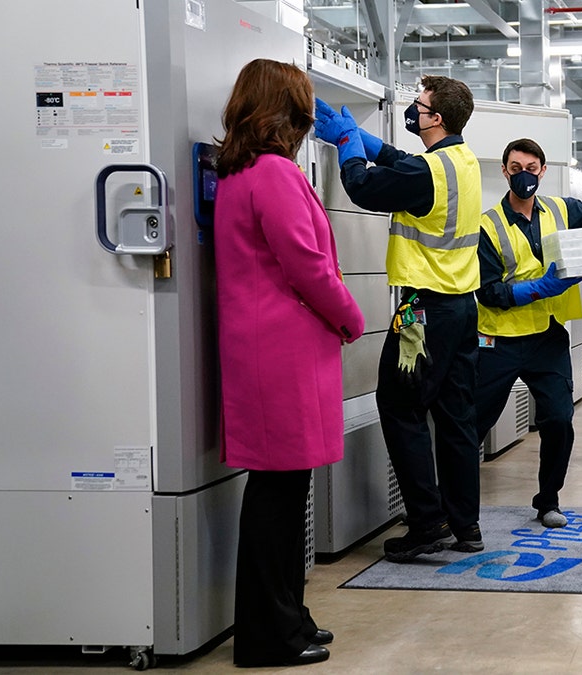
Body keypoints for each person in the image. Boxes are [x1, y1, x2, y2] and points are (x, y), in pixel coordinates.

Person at [214, 58, 364, 667]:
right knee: (278, 496)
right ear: (286, 110)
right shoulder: (273, 174)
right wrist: (353, 317)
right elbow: (306, 264)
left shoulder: (239, 171)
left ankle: (287, 616)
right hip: (280, 351)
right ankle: (266, 634)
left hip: (269, 347)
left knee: (281, 491)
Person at [314, 76, 484, 562]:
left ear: (436, 119)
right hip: (460, 308)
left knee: (399, 403)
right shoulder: (461, 160)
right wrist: (369, 140)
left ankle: (427, 523)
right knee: (455, 417)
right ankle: (465, 525)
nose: (414, 109)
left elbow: (364, 186)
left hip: (422, 311)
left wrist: (350, 146)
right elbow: (407, 165)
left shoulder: (429, 172)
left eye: (420, 105)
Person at [475, 138, 582, 529]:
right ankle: (448, 502)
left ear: (543, 170)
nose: (525, 174)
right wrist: (542, 287)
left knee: (559, 420)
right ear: (505, 172)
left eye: (532, 167)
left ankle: (548, 501)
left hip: (548, 338)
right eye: (516, 167)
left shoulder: (560, 208)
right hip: (498, 340)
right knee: (471, 425)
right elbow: (489, 291)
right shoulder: (487, 225)